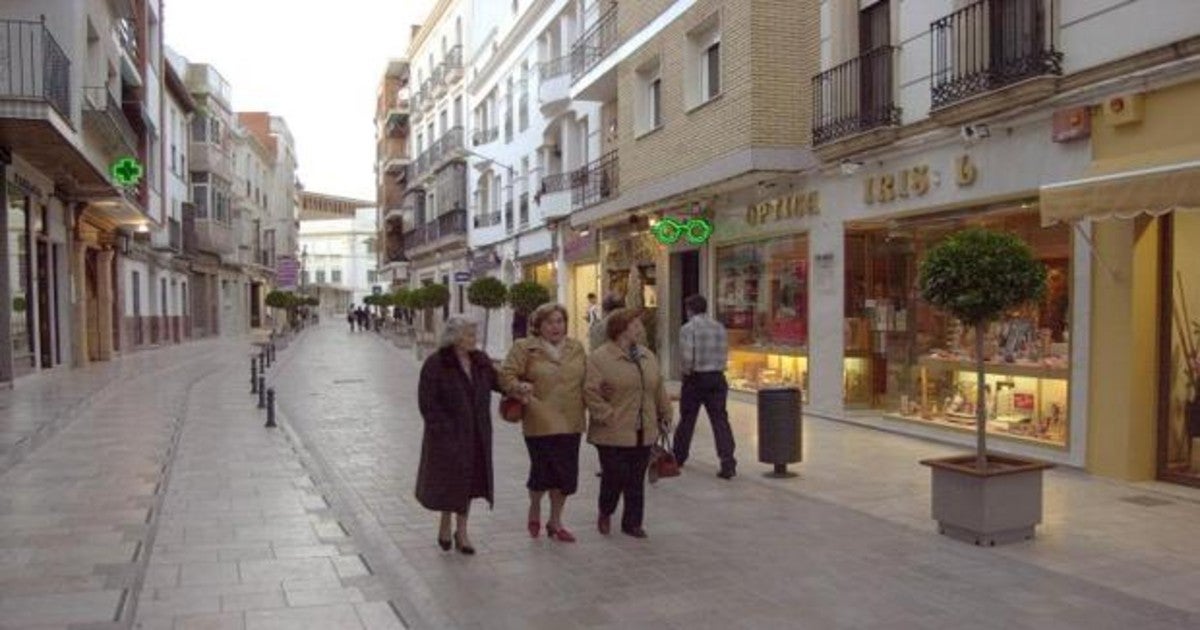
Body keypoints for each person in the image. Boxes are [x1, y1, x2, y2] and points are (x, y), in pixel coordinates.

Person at [500, 303, 587, 543]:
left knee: (565, 476)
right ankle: (535, 506)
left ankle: (555, 521)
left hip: (571, 420)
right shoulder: (524, 348)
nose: (556, 327)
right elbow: (506, 374)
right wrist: (518, 386)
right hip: (539, 419)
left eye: (560, 321)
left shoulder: (577, 348)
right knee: (543, 472)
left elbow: (587, 380)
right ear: (538, 326)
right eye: (550, 322)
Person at [415, 316, 502, 555]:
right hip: (447, 437)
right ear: (455, 338)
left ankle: (461, 532)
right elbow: (427, 404)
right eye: (470, 335)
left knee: (469, 482)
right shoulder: (436, 364)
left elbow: (498, 382)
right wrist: (443, 430)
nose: (475, 339)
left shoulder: (480, 362)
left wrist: (517, 387)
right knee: (450, 483)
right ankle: (445, 523)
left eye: (475, 334)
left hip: (475, 435)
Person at [584, 308, 673, 538]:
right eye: (636, 325)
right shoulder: (600, 358)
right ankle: (606, 510)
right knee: (614, 476)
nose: (641, 329)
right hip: (612, 431)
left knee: (636, 479)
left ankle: (632, 523)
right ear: (621, 329)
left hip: (643, 429)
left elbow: (657, 386)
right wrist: (607, 415)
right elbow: (590, 392)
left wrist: (665, 412)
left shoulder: (646, 355)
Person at [674, 295, 737, 479]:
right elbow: (725, 352)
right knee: (720, 420)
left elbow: (687, 357)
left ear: (689, 310)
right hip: (717, 377)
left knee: (687, 419)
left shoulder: (688, 328)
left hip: (696, 378)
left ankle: (679, 457)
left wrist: (686, 373)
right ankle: (728, 462)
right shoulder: (719, 327)